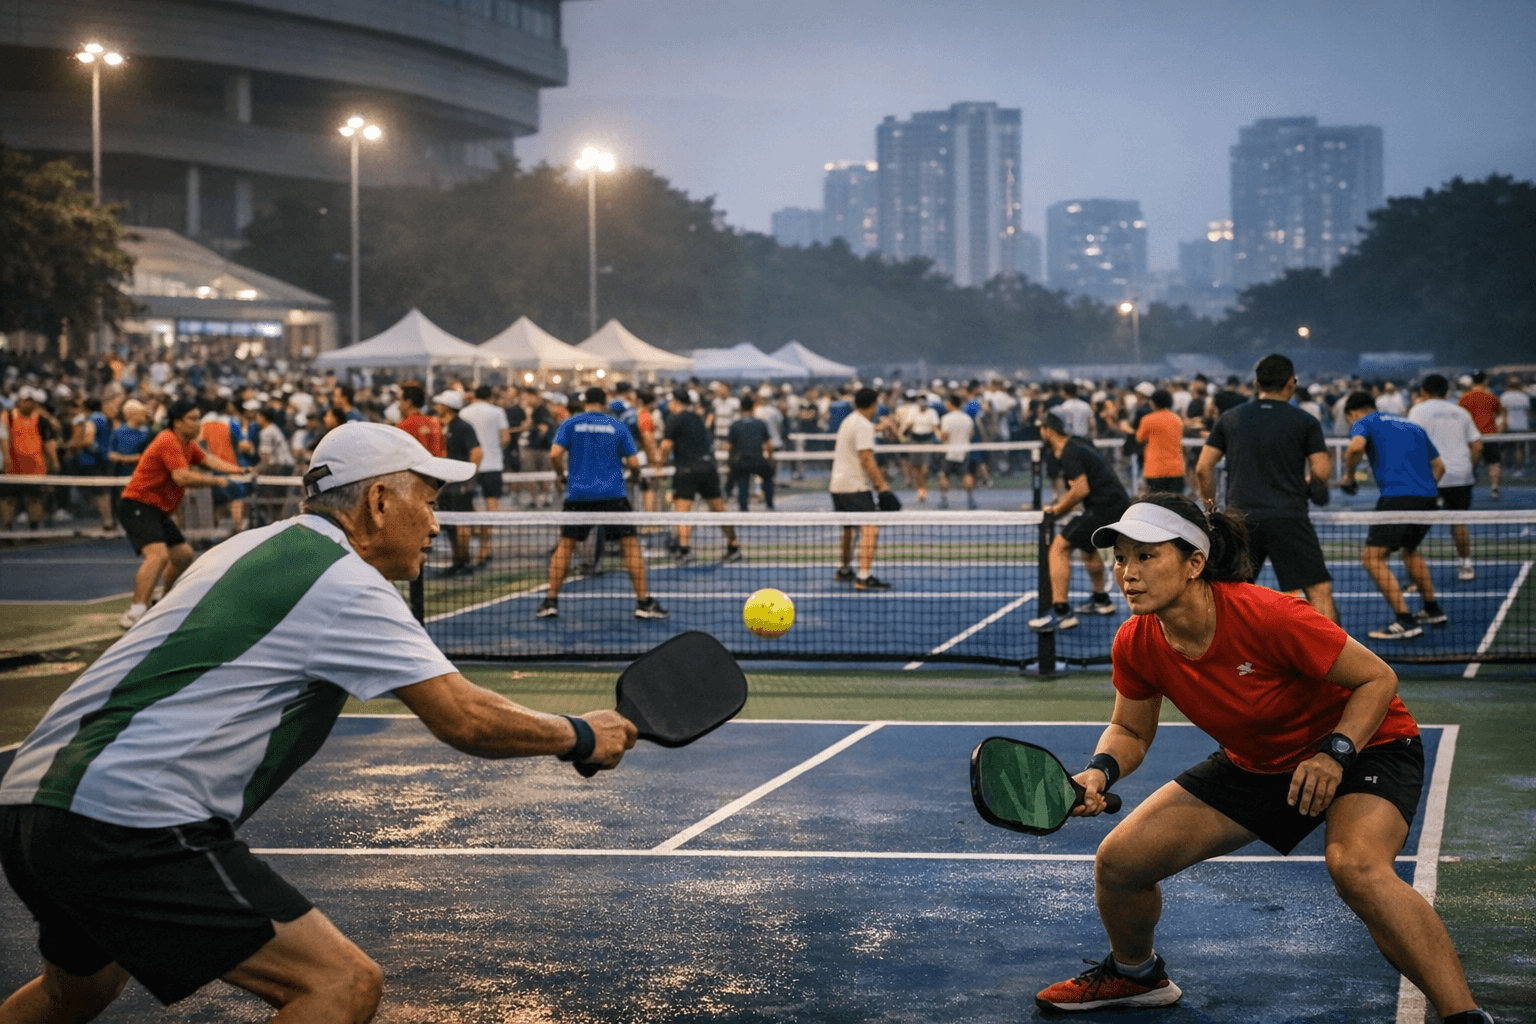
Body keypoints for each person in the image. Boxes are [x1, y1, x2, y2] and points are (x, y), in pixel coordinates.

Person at [0, 422, 638, 1022]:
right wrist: (580, 734)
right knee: (338, 985)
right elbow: (465, 717)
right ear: (380, 501)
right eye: (429, 499)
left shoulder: (243, 548)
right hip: (127, 816)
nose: (437, 524)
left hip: (30, 799)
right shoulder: (345, 580)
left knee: (79, 987)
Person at [1032, 494, 1494, 1024]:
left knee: (1357, 867)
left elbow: (1377, 678)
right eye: (1120, 558)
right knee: (1120, 863)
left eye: (1145, 556)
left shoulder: (1267, 614)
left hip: (1366, 743)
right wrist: (1100, 770)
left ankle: (1465, 1016)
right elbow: (1130, 729)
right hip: (1258, 762)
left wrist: (1333, 754)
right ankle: (1136, 976)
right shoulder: (1137, 641)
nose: (1126, 573)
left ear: (1194, 564)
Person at [1196, 354, 1338, 624]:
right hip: (1289, 515)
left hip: (1240, 519)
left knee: (1227, 593)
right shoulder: (1305, 421)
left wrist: (1211, 506)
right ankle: (1334, 661)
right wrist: (1306, 485)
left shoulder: (1230, 418)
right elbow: (1321, 471)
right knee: (1318, 591)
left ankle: (1223, 660)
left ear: (1256, 382)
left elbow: (1203, 468)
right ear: (1291, 383)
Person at [114, 397, 253, 630]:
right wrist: (218, 481)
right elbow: (182, 477)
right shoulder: (169, 440)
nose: (198, 424)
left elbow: (209, 459)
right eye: (193, 419)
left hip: (157, 509)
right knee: (158, 556)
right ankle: (135, 611)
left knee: (183, 555)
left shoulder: (187, 444)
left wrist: (240, 470)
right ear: (177, 421)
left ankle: (164, 603)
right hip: (137, 504)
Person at [538, 386, 667, 620]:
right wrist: (635, 478)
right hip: (614, 496)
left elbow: (555, 455)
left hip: (578, 496)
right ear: (604, 402)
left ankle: (550, 601)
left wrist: (560, 475)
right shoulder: (617, 425)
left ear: (584, 401)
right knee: (630, 546)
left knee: (565, 546)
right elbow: (635, 463)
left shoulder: (570, 423)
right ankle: (643, 602)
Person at [1341, 391, 1447, 640]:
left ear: (1353, 413)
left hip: (1398, 499)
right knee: (1409, 550)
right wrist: (1424, 490)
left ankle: (1404, 620)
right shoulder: (1412, 424)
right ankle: (1432, 610)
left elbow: (1355, 447)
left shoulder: (1364, 421)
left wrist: (1348, 476)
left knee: (1372, 558)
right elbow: (1440, 466)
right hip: (1428, 497)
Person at [1030, 412, 1130, 629]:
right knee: (1087, 547)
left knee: (1058, 547)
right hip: (1113, 504)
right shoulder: (1077, 445)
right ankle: (1101, 600)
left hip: (1104, 507)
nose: (1040, 432)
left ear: (1048, 430)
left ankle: (1062, 612)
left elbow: (1080, 489)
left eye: (1041, 428)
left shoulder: (1070, 452)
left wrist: (1055, 511)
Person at [1409, 374, 1483, 582]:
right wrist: (1471, 468)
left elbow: (1413, 443)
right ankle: (1466, 565)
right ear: (1447, 392)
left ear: (1423, 391)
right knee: (1458, 522)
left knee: (1417, 525)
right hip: (1461, 476)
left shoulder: (1417, 411)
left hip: (1430, 476)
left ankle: (1417, 579)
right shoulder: (1461, 412)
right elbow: (1477, 446)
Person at [657, 389, 740, 566]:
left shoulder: (674, 419)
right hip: (708, 468)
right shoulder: (697, 418)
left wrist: (658, 466)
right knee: (719, 510)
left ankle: (685, 551)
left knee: (682, 512)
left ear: (674, 402)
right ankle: (734, 547)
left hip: (687, 470)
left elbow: (665, 446)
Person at [829, 387, 898, 590]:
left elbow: (862, 432)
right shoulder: (864, 425)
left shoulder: (850, 420)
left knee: (849, 529)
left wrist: (879, 427)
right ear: (874, 405)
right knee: (870, 528)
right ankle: (864, 576)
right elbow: (867, 458)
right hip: (855, 486)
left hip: (837, 485)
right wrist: (882, 485)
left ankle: (844, 570)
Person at [430, 390, 483, 575]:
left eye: (440, 404)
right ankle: (457, 561)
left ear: (447, 407)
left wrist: (468, 478)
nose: (436, 407)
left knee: (462, 524)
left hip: (459, 485)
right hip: (447, 484)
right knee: (451, 526)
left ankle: (464, 562)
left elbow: (477, 453)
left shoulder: (462, 427)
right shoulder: (445, 426)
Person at [458, 385, 511, 567]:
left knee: (467, 504)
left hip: (470, 465)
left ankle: (475, 532)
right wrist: (496, 450)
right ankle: (484, 547)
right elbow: (505, 438)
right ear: (490, 396)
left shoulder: (464, 412)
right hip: (493, 465)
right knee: (491, 506)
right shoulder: (497, 412)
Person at [1, 387, 60, 531]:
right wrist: (7, 459)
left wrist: (54, 461)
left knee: (35, 499)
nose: (29, 404)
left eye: (32, 401)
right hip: (13, 467)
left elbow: (49, 441)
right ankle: (7, 530)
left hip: (35, 467)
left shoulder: (41, 419)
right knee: (9, 499)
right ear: (19, 401)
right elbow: (3, 439)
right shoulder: (8, 416)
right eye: (26, 401)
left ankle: (34, 529)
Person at [1458, 372, 1505, 499]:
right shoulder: (1492, 397)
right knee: (1494, 463)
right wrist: (1499, 431)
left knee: (1468, 463)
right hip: (1490, 435)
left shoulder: (1464, 398)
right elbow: (1503, 415)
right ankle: (1494, 488)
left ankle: (1464, 488)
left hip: (1472, 437)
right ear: (1485, 381)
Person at [726, 395, 775, 512]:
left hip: (742, 460)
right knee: (767, 477)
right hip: (758, 459)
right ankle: (770, 505)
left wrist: (731, 458)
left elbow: (728, 446)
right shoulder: (760, 423)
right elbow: (769, 444)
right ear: (753, 407)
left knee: (743, 482)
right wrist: (770, 457)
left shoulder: (735, 425)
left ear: (741, 408)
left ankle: (743, 509)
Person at [1134, 389, 1185, 494]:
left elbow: (1140, 439)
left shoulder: (1147, 420)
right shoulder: (1177, 419)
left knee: (1157, 505)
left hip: (1155, 469)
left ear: (1154, 403)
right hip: (1176, 468)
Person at [936, 392, 977, 510]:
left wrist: (936, 431)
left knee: (944, 475)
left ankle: (944, 500)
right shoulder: (967, 418)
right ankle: (970, 500)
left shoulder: (946, 419)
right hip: (964, 451)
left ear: (951, 404)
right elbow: (971, 434)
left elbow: (943, 436)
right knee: (966, 475)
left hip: (949, 452)